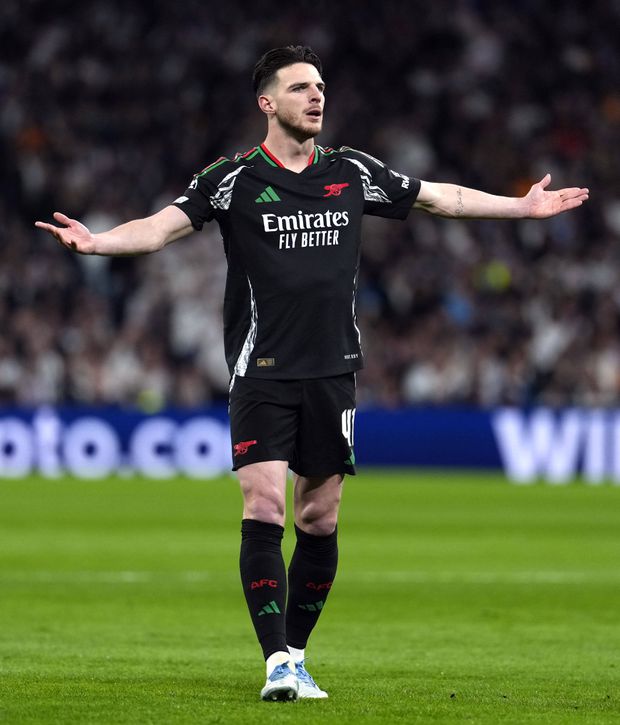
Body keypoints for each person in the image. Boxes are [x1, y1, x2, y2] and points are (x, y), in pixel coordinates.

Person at [35, 45, 589, 702]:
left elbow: (441, 199)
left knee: (318, 519)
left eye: (320, 85)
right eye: (300, 87)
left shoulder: (351, 170)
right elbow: (160, 229)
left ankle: (297, 654)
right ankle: (275, 661)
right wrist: (98, 241)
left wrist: (521, 208)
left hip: (333, 372)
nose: (316, 95)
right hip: (262, 371)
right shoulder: (233, 177)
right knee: (264, 505)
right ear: (267, 103)